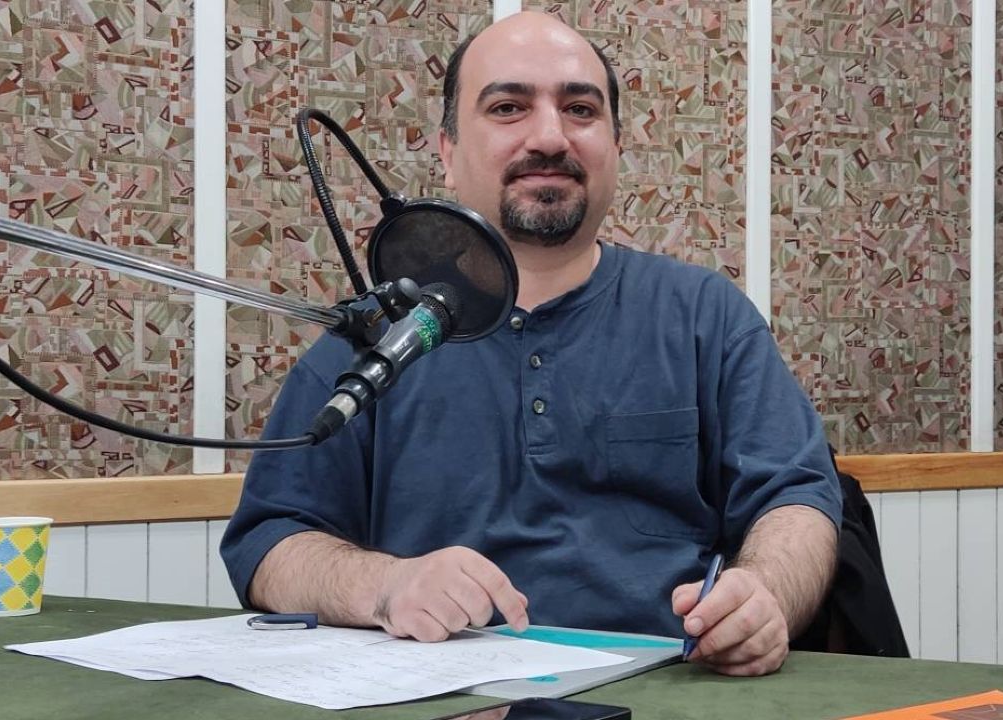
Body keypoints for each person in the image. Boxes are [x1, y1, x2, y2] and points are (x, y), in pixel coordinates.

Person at [221, 11, 841, 678]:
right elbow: (269, 544)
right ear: (447, 153)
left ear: (615, 146)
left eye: (580, 109)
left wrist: (765, 594)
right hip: (438, 694)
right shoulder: (379, 339)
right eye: (508, 107)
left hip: (666, 688)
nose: (549, 136)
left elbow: (798, 498)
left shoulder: (705, 316)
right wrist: (383, 585)